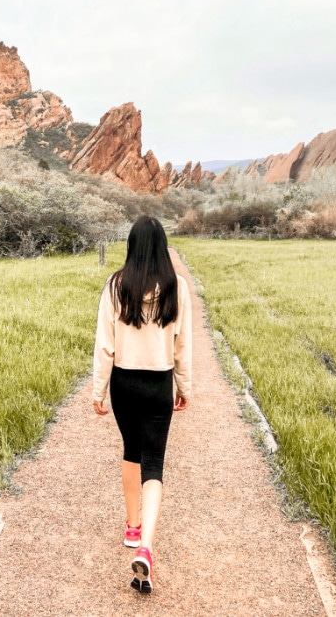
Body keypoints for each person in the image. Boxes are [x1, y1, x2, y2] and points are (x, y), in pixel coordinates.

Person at [92, 215, 192, 594]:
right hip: (158, 383)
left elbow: (105, 344)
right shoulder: (176, 287)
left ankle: (132, 526)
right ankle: (145, 547)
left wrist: (98, 390)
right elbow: (182, 343)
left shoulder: (116, 285)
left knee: (131, 450)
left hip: (123, 382)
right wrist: (184, 385)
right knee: (154, 464)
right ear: (162, 247)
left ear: (132, 247)